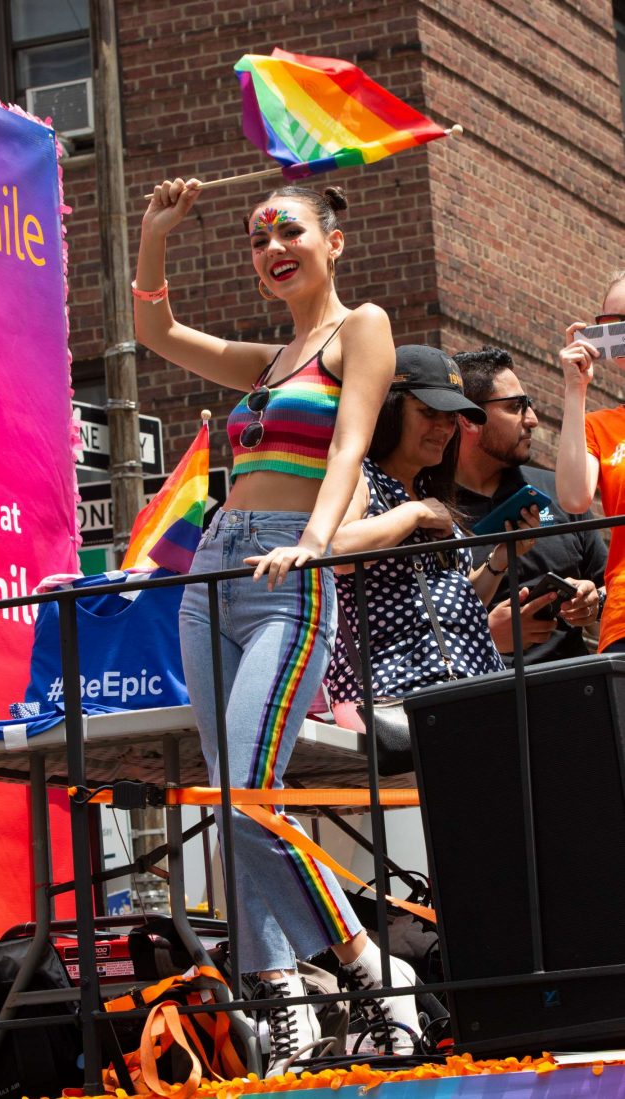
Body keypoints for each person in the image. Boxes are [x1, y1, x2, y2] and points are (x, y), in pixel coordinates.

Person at [134, 177, 420, 1074]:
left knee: (248, 789)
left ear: (334, 241)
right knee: (234, 798)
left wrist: (315, 541)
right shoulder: (265, 363)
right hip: (213, 574)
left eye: (287, 231)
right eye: (259, 240)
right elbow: (157, 334)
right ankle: (287, 987)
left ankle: (365, 962)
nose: (271, 249)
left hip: (288, 578)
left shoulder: (361, 328)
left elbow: (349, 447)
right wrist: (154, 236)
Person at [327, 344, 525, 732]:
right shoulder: (359, 476)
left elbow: (450, 597)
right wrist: (413, 512)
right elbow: (335, 549)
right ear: (390, 410)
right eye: (429, 413)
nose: (443, 429)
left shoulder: (430, 488)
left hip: (471, 684)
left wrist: (499, 560)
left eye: (451, 419)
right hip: (396, 693)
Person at [453, 347, 605, 664]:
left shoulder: (558, 491)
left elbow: (611, 587)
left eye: (529, 405)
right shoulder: (428, 507)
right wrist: (485, 635)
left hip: (578, 693)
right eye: (515, 407)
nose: (532, 420)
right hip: (478, 700)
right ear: (468, 418)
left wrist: (593, 600)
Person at [556, 271, 625, 653]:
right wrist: (574, 388)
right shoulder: (601, 425)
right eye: (609, 323)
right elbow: (573, 498)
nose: (617, 332)